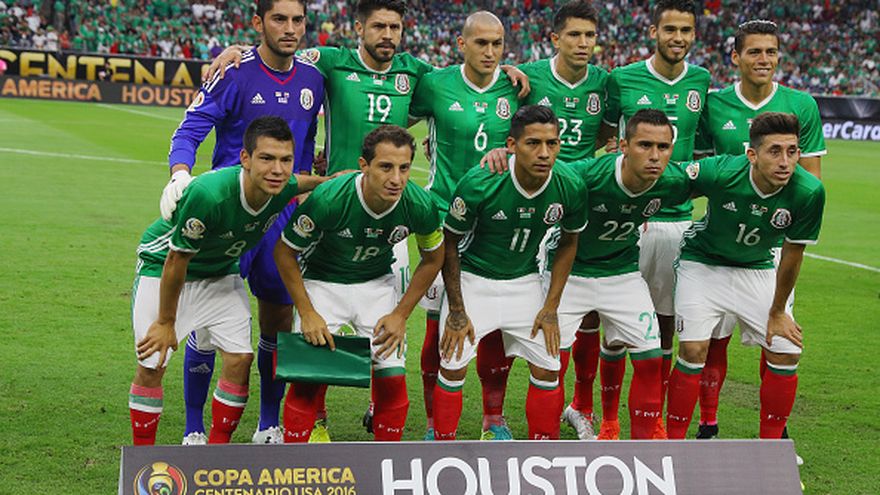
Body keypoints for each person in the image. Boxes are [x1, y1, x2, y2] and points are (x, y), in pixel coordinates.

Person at [159, 0, 325, 445]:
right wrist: (179, 173)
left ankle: (268, 423)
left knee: (277, 319)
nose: (289, 28)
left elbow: (307, 144)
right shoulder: (233, 71)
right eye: (279, 19)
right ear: (258, 23)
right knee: (209, 325)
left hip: (281, 216)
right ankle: (194, 427)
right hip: (228, 216)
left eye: (297, 20)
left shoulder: (314, 78)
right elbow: (190, 128)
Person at [128, 117, 327, 446]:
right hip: (162, 267)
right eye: (266, 158)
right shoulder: (210, 194)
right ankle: (143, 458)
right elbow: (177, 260)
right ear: (245, 159)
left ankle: (216, 454)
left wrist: (338, 179)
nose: (277, 170)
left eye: (285, 160)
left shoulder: (283, 186)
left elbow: (305, 182)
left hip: (221, 271)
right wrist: (166, 322)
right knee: (153, 363)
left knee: (240, 358)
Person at [693, 20, 827, 442]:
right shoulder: (714, 105)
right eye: (754, 51)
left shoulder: (801, 105)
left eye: (771, 51)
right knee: (712, 340)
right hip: (720, 243)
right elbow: (701, 171)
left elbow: (810, 181)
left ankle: (775, 435)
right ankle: (708, 425)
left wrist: (787, 231)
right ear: (736, 57)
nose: (764, 59)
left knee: (778, 336)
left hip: (770, 249)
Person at [274, 125, 444, 442]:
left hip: (376, 284)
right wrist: (307, 312)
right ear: (364, 166)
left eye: (404, 168)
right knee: (307, 379)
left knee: (392, 380)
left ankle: (386, 461)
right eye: (386, 167)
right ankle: (295, 460)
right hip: (323, 283)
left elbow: (434, 258)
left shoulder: (420, 204)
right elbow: (284, 252)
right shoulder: (330, 198)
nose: (396, 178)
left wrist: (400, 315)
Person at [665, 112, 825, 441]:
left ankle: (771, 448)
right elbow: (671, 180)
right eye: (774, 151)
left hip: (757, 267)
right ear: (752, 154)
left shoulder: (809, 191)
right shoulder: (722, 170)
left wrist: (778, 311)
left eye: (792, 151)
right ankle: (673, 446)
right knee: (693, 350)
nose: (785, 162)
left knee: (786, 350)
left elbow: (792, 256)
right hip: (703, 264)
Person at [433, 105, 587, 441]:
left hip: (525, 280)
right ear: (512, 145)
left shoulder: (570, 184)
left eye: (552, 143)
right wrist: (457, 309)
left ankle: (542, 453)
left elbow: (569, 243)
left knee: (549, 366)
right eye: (533, 143)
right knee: (452, 363)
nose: (544, 153)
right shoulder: (480, 181)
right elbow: (449, 243)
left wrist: (550, 306)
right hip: (474, 279)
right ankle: (441, 447)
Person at [408, 10, 521, 442]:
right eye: (481, 43)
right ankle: (434, 424)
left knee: (495, 327)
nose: (490, 52)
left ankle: (494, 419)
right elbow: (395, 113)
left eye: (497, 44)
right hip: (441, 219)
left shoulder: (517, 85)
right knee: (437, 326)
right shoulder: (435, 83)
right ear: (461, 44)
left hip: (495, 224)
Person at [601, 0, 710, 439]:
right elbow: (605, 138)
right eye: (670, 29)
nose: (678, 38)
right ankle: (609, 419)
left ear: (694, 34)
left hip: (676, 221)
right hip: (628, 219)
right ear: (653, 32)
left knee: (665, 323)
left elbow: (703, 149)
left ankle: (655, 417)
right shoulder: (622, 78)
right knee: (614, 326)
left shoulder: (701, 80)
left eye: (686, 30)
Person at [550, 109, 692, 439]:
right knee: (550, 363)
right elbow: (538, 173)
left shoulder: (674, 180)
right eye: (645, 145)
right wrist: (503, 157)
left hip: (621, 272)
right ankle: (546, 448)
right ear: (624, 146)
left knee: (651, 358)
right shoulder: (587, 175)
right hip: (570, 271)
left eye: (663, 147)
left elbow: (725, 174)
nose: (655, 156)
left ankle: (645, 452)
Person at [516, 0, 611, 441]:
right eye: (574, 34)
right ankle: (500, 414)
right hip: (533, 205)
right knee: (528, 307)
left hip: (581, 204)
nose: (583, 43)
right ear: (555, 38)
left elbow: (609, 134)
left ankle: (581, 406)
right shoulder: (527, 77)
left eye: (590, 35)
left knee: (586, 312)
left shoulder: (605, 83)